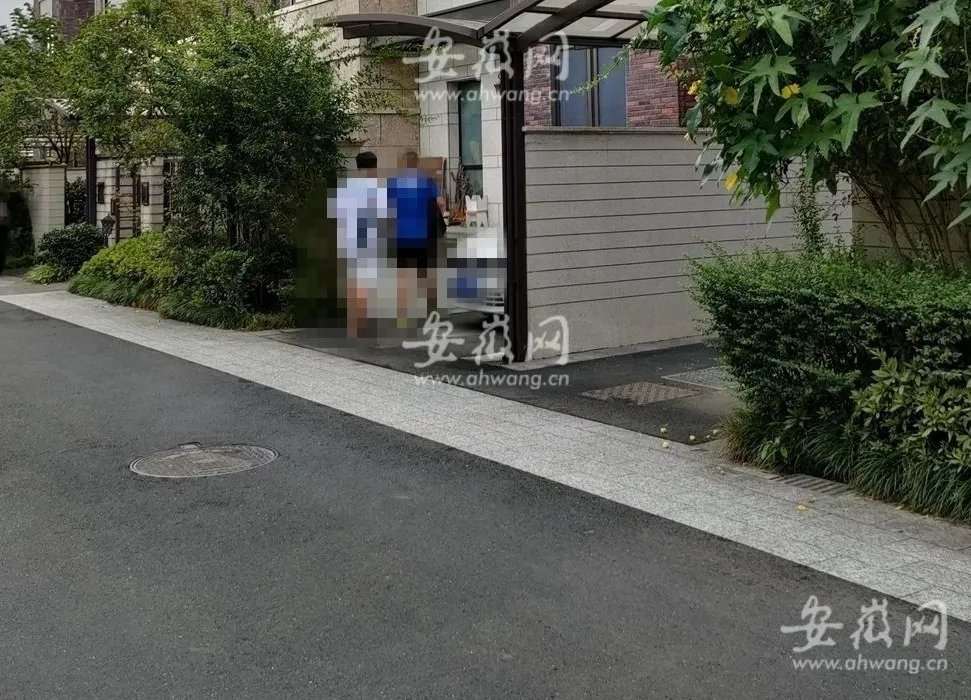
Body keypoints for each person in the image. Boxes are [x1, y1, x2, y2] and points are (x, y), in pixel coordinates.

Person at [331, 151, 387, 337]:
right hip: (370, 243)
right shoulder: (378, 188)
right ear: (375, 166)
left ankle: (353, 325)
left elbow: (337, 217)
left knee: (353, 284)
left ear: (357, 166)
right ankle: (365, 326)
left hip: (349, 242)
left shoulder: (345, 187)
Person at [387, 152, 445, 327]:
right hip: (423, 237)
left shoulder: (393, 183)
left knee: (403, 277)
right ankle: (430, 315)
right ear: (417, 163)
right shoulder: (427, 182)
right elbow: (440, 203)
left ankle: (403, 316)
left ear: (404, 163)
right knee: (426, 276)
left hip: (401, 237)